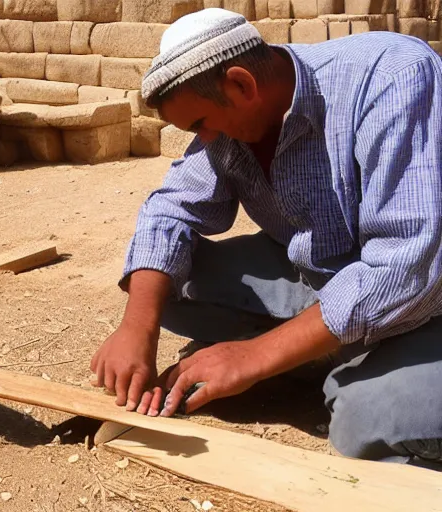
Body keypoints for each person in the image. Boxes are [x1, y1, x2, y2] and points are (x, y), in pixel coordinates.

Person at [91, 8, 442, 464]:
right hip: (328, 278)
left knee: (363, 422)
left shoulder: (394, 76)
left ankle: (363, 369)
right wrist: (137, 327)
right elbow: (169, 209)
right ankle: (331, 352)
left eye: (200, 124)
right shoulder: (230, 121)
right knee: (165, 284)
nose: (203, 139)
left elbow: (405, 269)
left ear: (241, 84)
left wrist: (254, 356)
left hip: (427, 301)